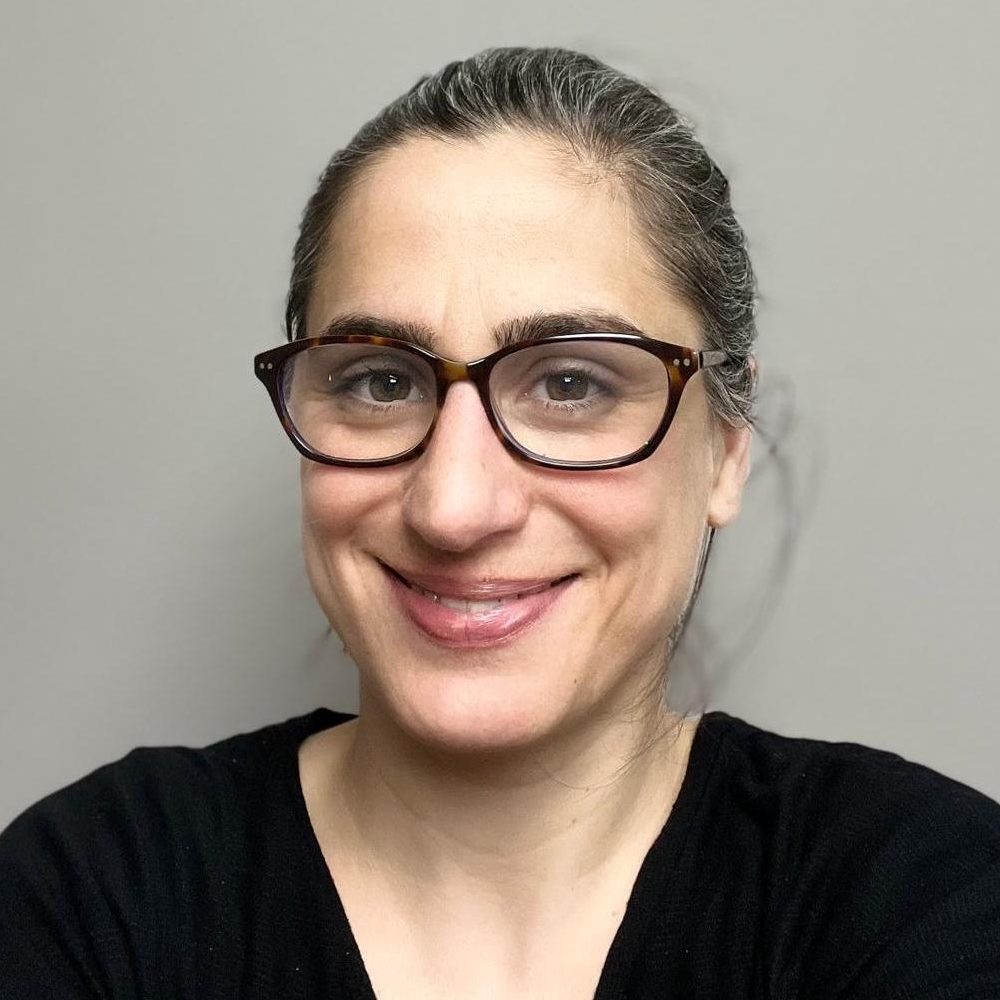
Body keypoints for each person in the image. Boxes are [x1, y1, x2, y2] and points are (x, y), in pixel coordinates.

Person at [2, 46, 998, 1000]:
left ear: (726, 449)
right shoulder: (91, 894)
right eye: (380, 380)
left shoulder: (927, 898)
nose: (454, 505)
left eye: (571, 382)